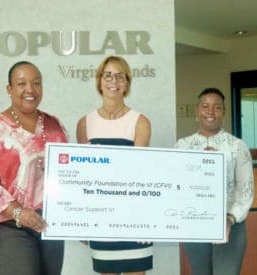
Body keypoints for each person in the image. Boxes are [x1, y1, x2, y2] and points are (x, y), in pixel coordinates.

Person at [0, 61, 68, 275]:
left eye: (36, 83)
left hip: (49, 226)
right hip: (10, 226)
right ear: (9, 89)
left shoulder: (54, 125)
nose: (30, 90)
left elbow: (69, 174)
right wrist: (18, 211)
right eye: (21, 83)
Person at [76, 56, 153, 275]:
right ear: (99, 81)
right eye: (108, 75)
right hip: (101, 216)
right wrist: (80, 220)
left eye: (120, 76)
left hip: (134, 216)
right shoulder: (85, 123)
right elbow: (83, 177)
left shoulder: (140, 121)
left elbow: (142, 175)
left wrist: (146, 218)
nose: (113, 81)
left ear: (127, 83)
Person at [175, 88, 254, 275]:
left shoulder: (237, 146)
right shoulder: (182, 146)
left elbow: (245, 189)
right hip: (195, 226)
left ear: (224, 113)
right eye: (205, 106)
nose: (211, 112)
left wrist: (229, 219)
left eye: (217, 107)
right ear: (197, 110)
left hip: (230, 228)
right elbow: (176, 186)